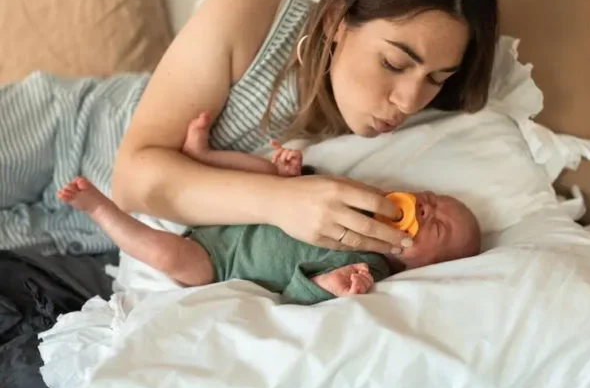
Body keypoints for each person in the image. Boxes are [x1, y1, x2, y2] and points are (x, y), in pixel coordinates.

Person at [0, 0, 499, 259]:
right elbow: (133, 178)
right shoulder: (251, 14)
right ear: (336, 18)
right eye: (393, 63)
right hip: (61, 129)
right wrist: (280, 200)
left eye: (437, 78)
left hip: (80, 233)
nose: (409, 102)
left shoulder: (430, 127)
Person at [56, 113, 482, 304]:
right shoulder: (367, 198)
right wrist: (292, 174)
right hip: (240, 212)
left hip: (217, 263)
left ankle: (100, 211)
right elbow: (310, 193)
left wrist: (330, 285)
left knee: (168, 254)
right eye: (433, 200)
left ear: (421, 268)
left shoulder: (368, 269)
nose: (428, 208)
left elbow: (294, 296)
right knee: (260, 172)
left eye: (438, 226)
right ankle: (200, 156)